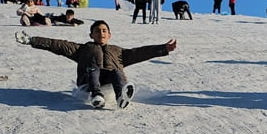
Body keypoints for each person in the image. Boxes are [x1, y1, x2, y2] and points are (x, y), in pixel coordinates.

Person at [16, 20, 177, 109]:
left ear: (109, 34)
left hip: (109, 84)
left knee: (115, 72)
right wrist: (32, 40)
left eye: (104, 30)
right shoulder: (83, 49)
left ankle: (121, 96)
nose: (101, 33)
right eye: (98, 30)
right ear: (91, 34)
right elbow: (58, 45)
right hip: (88, 84)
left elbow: (140, 52)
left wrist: (163, 48)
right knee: (94, 68)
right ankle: (96, 96)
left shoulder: (118, 51)